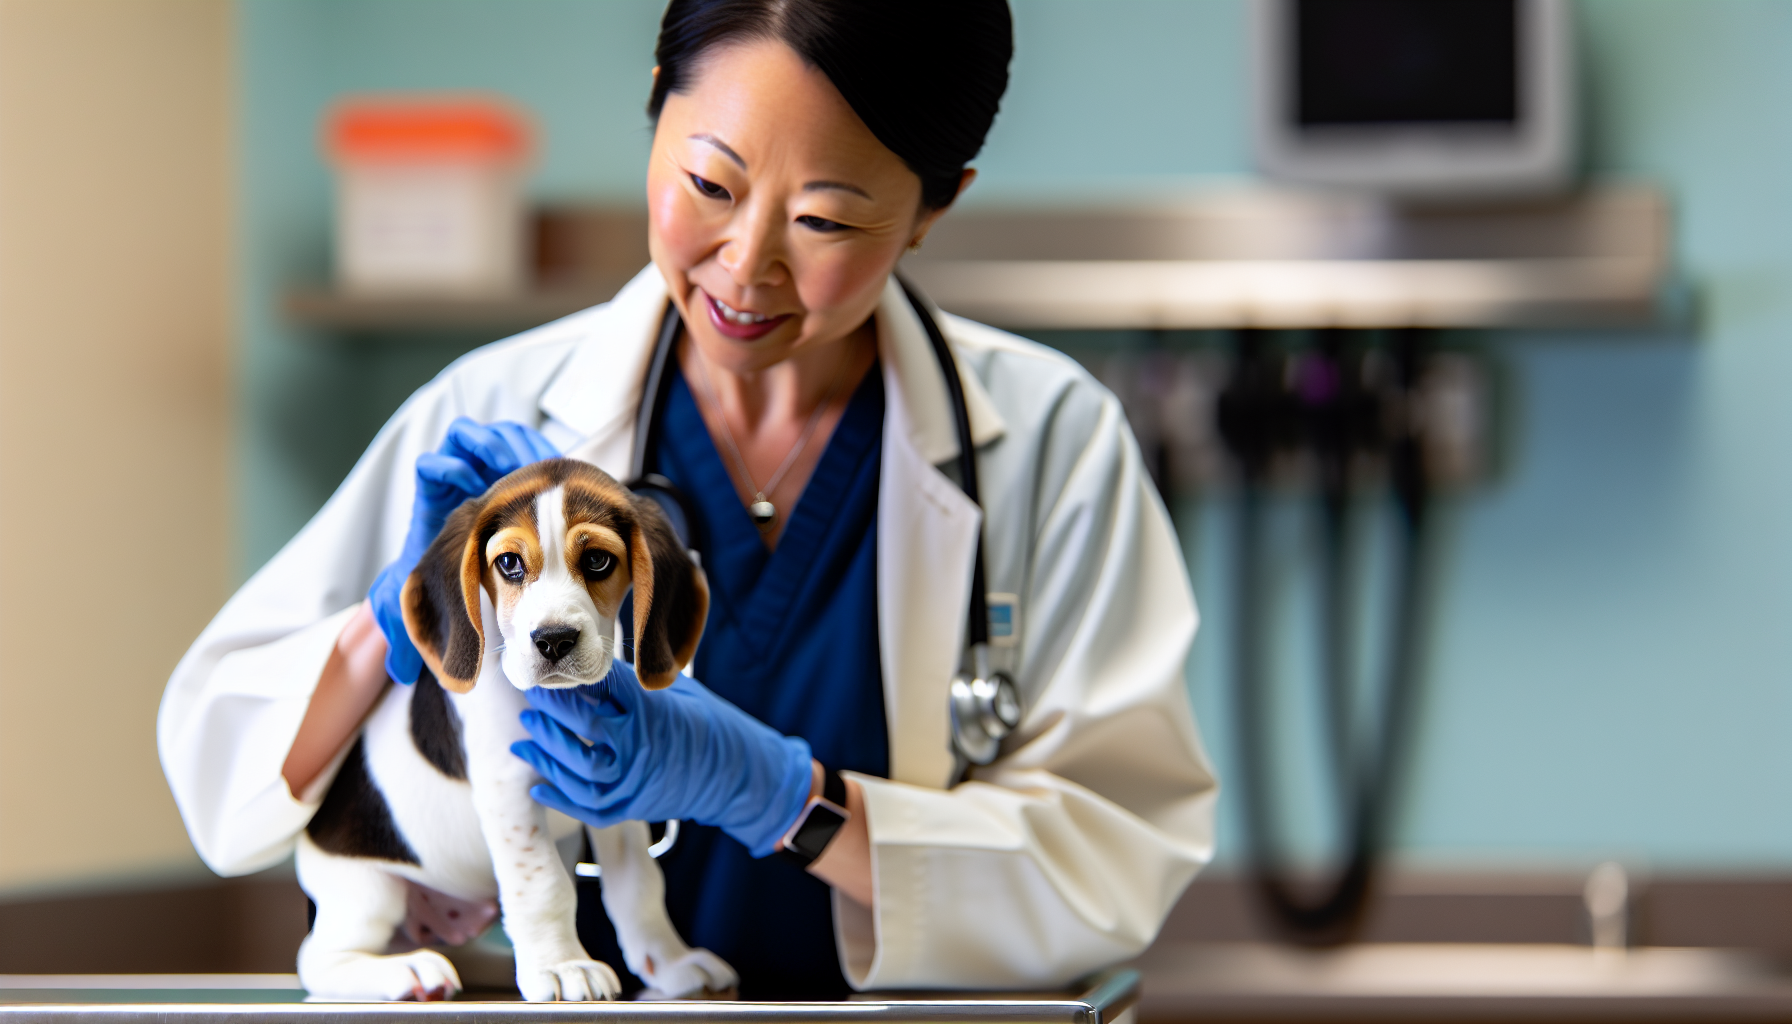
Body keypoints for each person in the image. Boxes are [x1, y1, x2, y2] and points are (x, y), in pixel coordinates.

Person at [159, 0, 1216, 1000]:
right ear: (659, 97)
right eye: (711, 184)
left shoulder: (1050, 442)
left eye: (824, 219)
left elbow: (1112, 867)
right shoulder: (487, 411)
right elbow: (220, 784)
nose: (746, 265)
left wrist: (783, 798)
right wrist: (390, 626)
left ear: (934, 206)